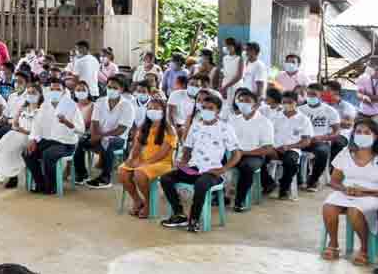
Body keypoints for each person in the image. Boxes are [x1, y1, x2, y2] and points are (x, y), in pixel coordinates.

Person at [160, 95, 242, 233]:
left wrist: (222, 169)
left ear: (218, 111)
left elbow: (237, 154)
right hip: (193, 168)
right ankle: (179, 214)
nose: (206, 111)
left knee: (201, 184)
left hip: (212, 171)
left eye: (211, 108)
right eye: (204, 108)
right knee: (166, 178)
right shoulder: (196, 125)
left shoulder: (225, 128)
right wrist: (182, 163)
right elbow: (188, 148)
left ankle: (194, 219)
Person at [320, 118, 378, 265]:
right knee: (328, 207)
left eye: (367, 132)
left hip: (374, 194)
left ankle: (364, 249)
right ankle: (333, 244)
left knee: (354, 211)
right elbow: (334, 180)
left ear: (376, 136)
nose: (362, 135)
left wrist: (366, 192)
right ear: (353, 134)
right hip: (347, 192)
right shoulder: (346, 153)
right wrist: (344, 188)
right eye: (359, 132)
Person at [117, 97, 178, 218]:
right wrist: (131, 159)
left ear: (163, 111)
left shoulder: (170, 130)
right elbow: (136, 147)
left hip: (163, 163)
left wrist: (144, 163)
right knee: (122, 171)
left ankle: (149, 204)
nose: (152, 110)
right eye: (149, 108)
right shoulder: (143, 127)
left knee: (139, 173)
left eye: (156, 108)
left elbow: (163, 153)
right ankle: (137, 200)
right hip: (145, 160)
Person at [22, 78, 84, 194]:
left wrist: (67, 122)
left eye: (58, 89)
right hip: (48, 140)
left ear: (64, 91)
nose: (54, 92)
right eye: (52, 89)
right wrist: (33, 139)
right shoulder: (45, 105)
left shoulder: (71, 106)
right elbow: (36, 124)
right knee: (27, 152)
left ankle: (51, 186)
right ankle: (40, 183)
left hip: (66, 143)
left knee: (48, 154)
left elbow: (81, 130)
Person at [227, 89, 275, 212]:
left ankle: (239, 200)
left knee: (246, 167)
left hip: (254, 155)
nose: (243, 103)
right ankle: (219, 195)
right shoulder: (233, 120)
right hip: (234, 152)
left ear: (256, 104)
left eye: (247, 101)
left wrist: (243, 153)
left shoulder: (265, 122)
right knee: (213, 161)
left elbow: (267, 149)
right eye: (241, 101)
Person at [85, 75, 135, 190]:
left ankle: (105, 178)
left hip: (118, 138)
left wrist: (100, 136)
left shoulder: (127, 106)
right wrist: (94, 135)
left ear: (122, 89)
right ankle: (81, 173)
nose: (111, 90)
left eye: (115, 88)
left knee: (107, 143)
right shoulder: (100, 101)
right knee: (81, 141)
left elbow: (121, 129)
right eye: (109, 87)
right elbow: (94, 121)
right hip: (98, 135)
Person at [0, 83, 40, 188]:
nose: (31, 95)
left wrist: (22, 130)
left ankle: (9, 173)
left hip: (31, 138)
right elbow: (14, 124)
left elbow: (39, 132)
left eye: (33, 93)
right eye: (29, 93)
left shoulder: (42, 110)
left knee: (9, 145)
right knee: (7, 142)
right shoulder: (23, 107)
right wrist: (17, 128)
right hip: (18, 133)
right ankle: (8, 173)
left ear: (40, 94)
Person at [269, 92, 312, 200]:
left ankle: (284, 188)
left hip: (292, 149)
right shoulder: (274, 117)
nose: (287, 104)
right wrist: (272, 148)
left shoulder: (303, 119)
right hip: (273, 148)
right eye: (284, 102)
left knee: (291, 162)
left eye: (290, 102)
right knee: (257, 160)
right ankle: (269, 184)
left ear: (296, 103)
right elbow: (266, 135)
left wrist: (288, 147)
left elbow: (306, 141)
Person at [300, 83, 341, 192]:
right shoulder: (300, 110)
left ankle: (313, 180)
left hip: (319, 141)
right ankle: (294, 179)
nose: (310, 97)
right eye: (308, 94)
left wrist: (322, 137)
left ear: (321, 95)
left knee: (322, 151)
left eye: (313, 94)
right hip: (301, 141)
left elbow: (337, 132)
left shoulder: (330, 111)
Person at [325, 81, 357, 162]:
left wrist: (332, 120)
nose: (325, 93)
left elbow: (348, 124)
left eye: (327, 91)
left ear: (336, 92)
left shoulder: (347, 107)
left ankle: (333, 167)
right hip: (323, 132)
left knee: (337, 143)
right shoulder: (324, 105)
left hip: (341, 134)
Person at [355, 56, 378, 122]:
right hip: (362, 112)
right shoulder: (363, 77)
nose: (368, 68)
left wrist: (369, 97)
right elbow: (358, 93)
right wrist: (363, 96)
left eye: (371, 66)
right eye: (368, 66)